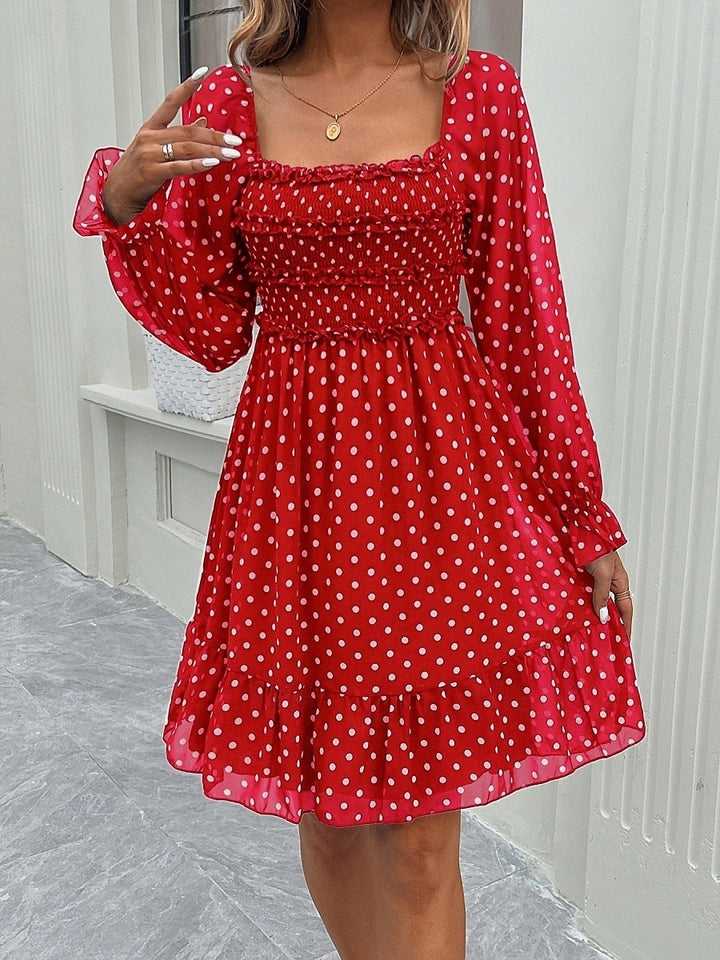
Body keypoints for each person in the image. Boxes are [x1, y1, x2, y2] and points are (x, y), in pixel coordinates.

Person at [73, 1, 647, 957]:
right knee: (332, 819)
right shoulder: (228, 106)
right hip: (293, 495)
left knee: (419, 848)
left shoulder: (480, 94)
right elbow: (213, 331)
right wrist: (127, 202)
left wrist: (579, 513)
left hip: (441, 490)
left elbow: (523, 317)